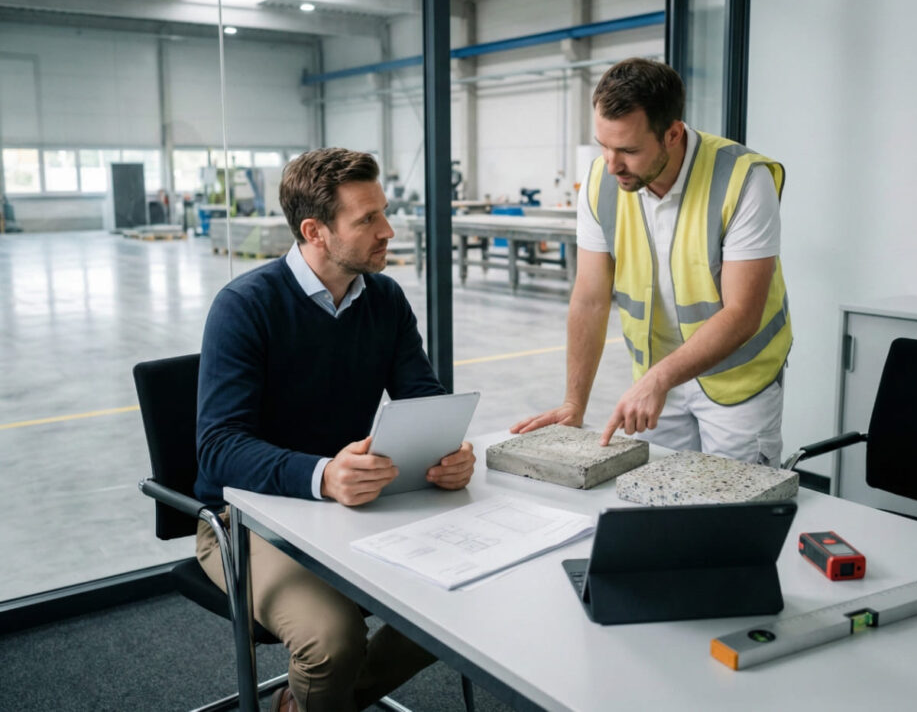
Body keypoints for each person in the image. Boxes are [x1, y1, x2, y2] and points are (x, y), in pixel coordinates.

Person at [194, 148, 476, 712]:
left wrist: (449, 448)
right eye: (366, 219)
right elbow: (217, 449)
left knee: (461, 597)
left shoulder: (385, 299)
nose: (388, 231)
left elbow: (420, 395)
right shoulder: (245, 307)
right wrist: (323, 475)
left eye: (384, 213)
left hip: (353, 507)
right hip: (247, 521)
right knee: (333, 640)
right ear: (314, 231)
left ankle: (312, 705)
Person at [512, 57, 792, 466]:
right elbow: (590, 298)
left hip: (737, 384)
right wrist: (575, 403)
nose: (611, 165)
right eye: (603, 145)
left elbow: (743, 313)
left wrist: (658, 379)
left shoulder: (744, 180)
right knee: (659, 505)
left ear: (673, 134)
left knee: (731, 513)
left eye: (628, 150)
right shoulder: (601, 182)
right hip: (656, 381)